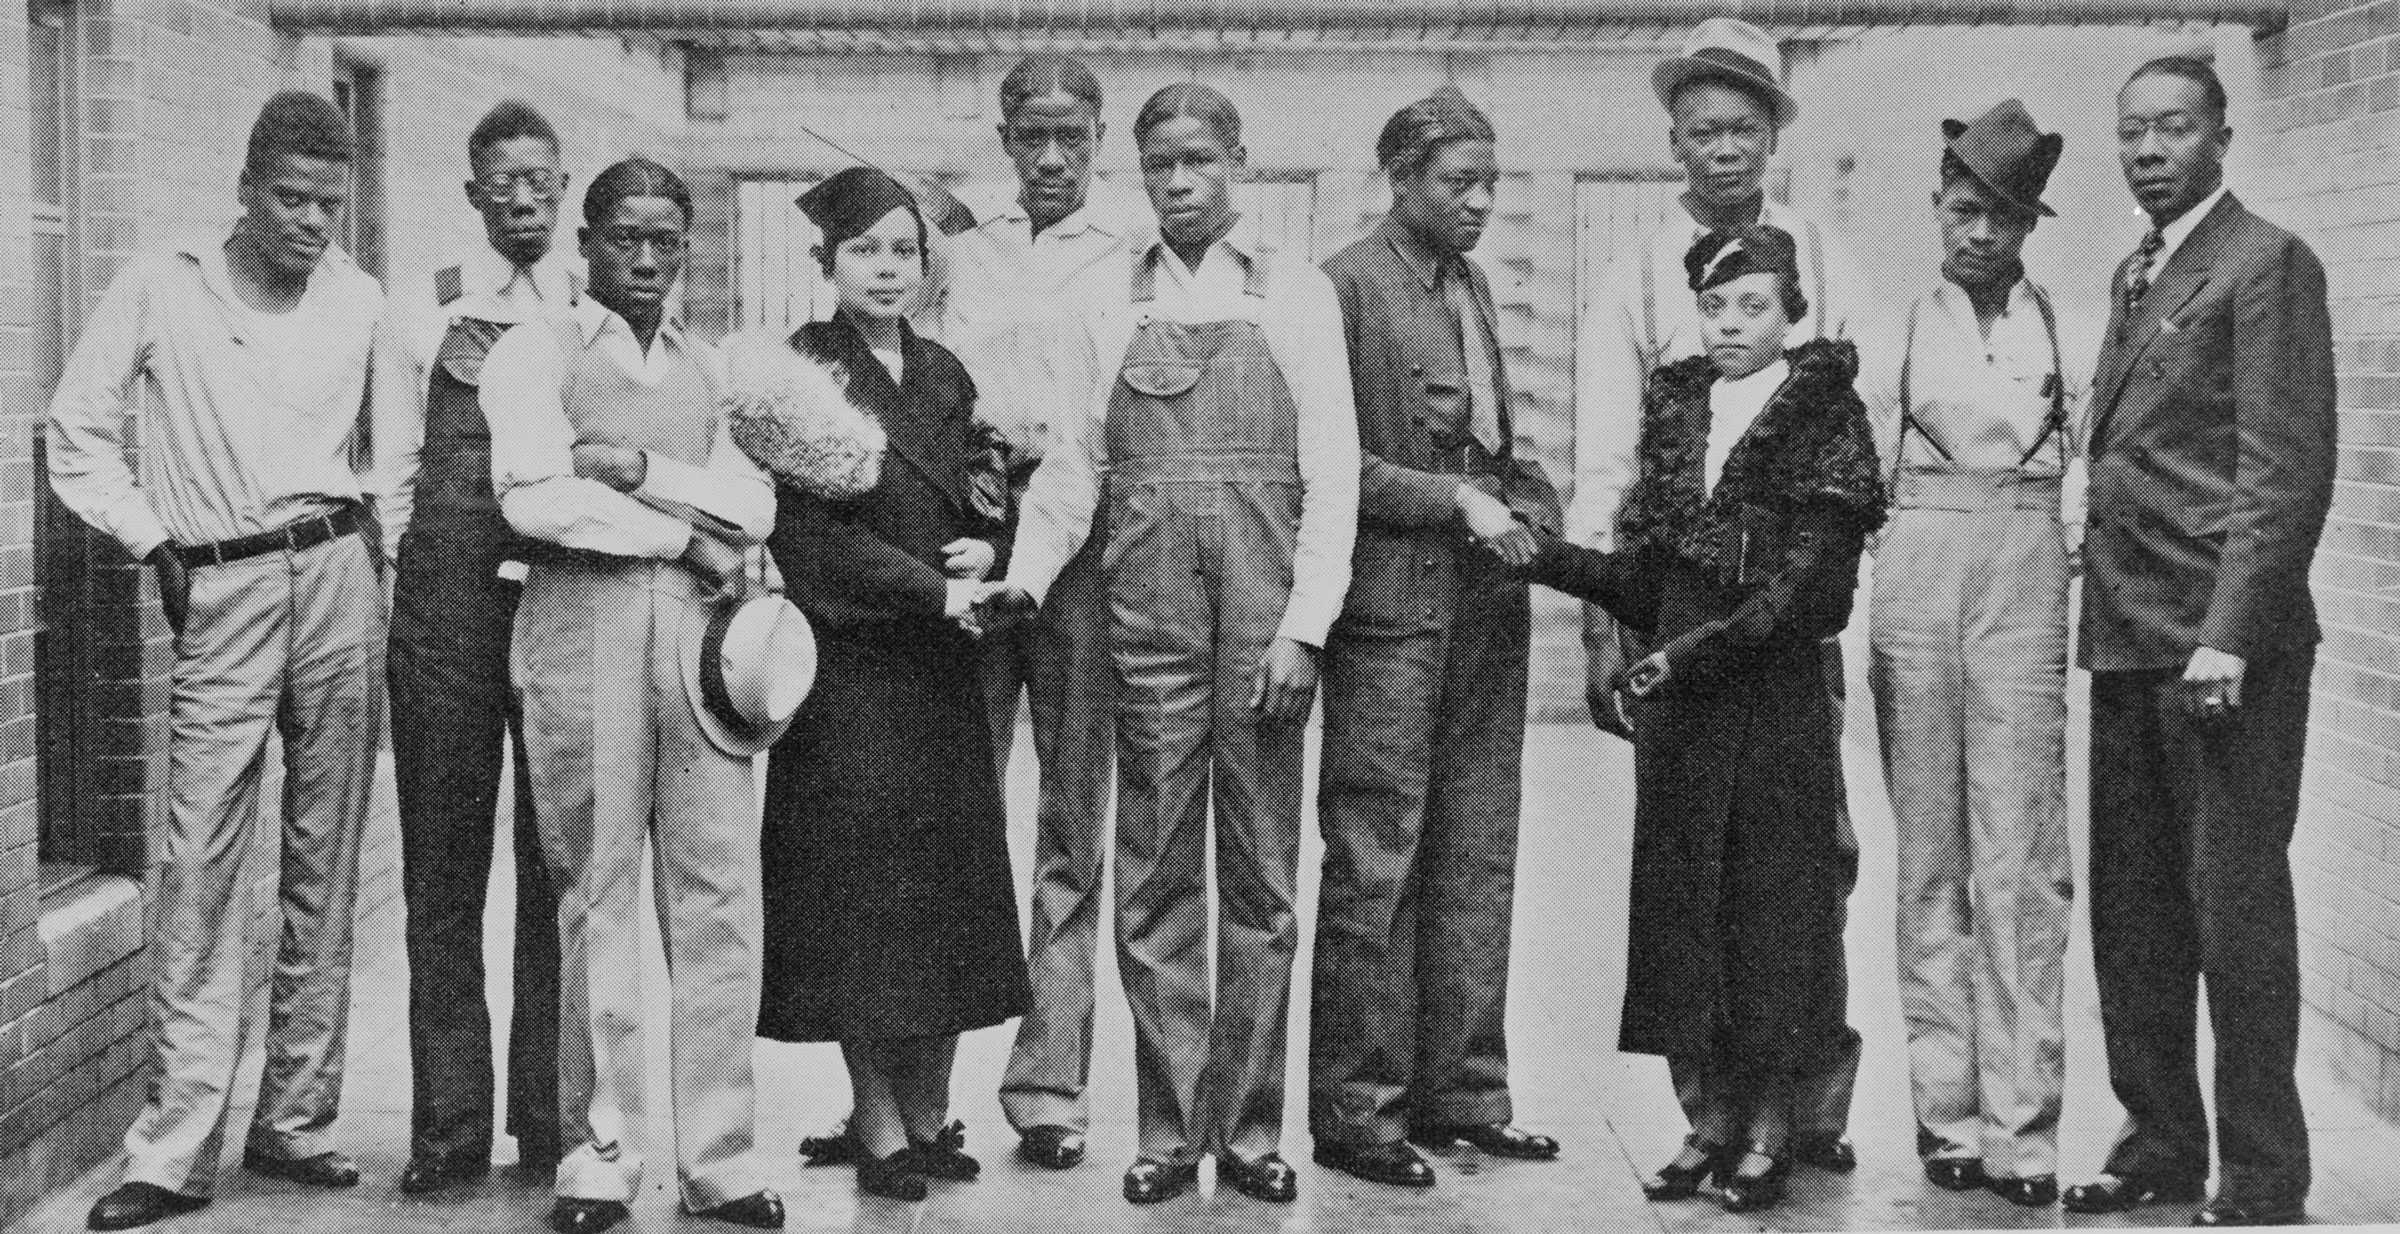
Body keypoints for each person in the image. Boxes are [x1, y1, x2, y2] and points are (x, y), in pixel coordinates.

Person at [982, 82, 1360, 1207]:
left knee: (1261, 878)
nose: (1181, 184)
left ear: (1238, 160)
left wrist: (1304, 628)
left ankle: (1248, 1132)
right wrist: (1027, 576)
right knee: (1150, 877)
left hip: (1260, 618)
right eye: (1161, 168)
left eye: (1199, 162)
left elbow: (1332, 473)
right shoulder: (1112, 297)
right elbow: (1074, 468)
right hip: (1145, 617)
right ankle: (1165, 1129)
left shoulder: (1292, 292)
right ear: (1139, 175)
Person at [46, 92, 386, 1232]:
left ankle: (294, 1118)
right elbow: (75, 428)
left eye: (330, 205)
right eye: (292, 199)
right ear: (245, 187)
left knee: (323, 858)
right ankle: (173, 1148)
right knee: (198, 861)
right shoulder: (160, 279)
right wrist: (152, 539)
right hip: (220, 576)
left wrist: (372, 546)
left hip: (337, 572)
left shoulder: (361, 299)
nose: (312, 225)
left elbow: (394, 454)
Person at [1526, 226, 1883, 1216]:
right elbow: (1651, 573)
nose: (1731, 324)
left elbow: (1809, 591)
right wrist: (1546, 557)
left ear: (1791, 313)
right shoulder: (1680, 406)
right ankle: (1710, 1119)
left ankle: (1772, 1120)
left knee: (1776, 908)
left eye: (1753, 305)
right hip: (1682, 708)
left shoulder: (1825, 416)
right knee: (1689, 906)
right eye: (1716, 306)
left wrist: (1685, 656)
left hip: (1770, 701)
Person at [1567, 17, 1872, 1173]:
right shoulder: (1639, 276)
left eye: (1745, 128)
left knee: (1807, 857)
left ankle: (1806, 1104)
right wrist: (1611, 626)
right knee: (1691, 860)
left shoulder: (1825, 258)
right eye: (1703, 131)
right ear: (1675, 141)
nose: (1725, 151)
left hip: (1789, 626)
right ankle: (1708, 1112)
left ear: (1775, 134)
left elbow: (1852, 433)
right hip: (1683, 626)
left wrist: (1815, 597)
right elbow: (1609, 463)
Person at [479, 157, 787, 1234]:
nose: (648, 259)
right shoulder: (535, 353)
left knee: (717, 896)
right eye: (625, 238)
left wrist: (643, 474)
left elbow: (755, 506)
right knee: (597, 892)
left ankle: (720, 1155)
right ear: (588, 241)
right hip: (583, 625)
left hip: (704, 646)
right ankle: (600, 1154)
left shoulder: (714, 370)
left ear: (686, 246)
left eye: (667, 239)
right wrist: (682, 535)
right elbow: (532, 495)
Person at [2062, 56, 2335, 1229]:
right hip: (2127, 638)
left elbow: (2284, 470)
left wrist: (2229, 635)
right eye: (2134, 132)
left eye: (2174, 128)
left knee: (2235, 916)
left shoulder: (2266, 262)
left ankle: (2264, 1174)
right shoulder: (2139, 271)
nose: (2150, 150)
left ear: (2223, 136)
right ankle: (2160, 1143)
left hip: (2222, 654)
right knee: (2135, 918)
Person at [747, 167, 1032, 1204]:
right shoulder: (797, 372)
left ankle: (925, 1110)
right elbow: (809, 537)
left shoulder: (945, 371)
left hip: (943, 670)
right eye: (865, 250)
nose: (887, 268)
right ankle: (873, 1121)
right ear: (826, 264)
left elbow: (987, 479)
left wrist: (981, 542)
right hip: (851, 669)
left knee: (947, 891)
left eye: (904, 250)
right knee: (860, 901)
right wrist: (927, 591)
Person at [1307, 87, 1561, 1191]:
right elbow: (1332, 467)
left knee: (1476, 851)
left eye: (1490, 184)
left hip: (1485, 615)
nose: (1481, 204)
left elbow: (1495, 445)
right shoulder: (1345, 289)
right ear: (1399, 178)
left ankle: (1464, 1091)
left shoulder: (1473, 283)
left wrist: (1531, 508)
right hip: (1394, 615)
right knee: (1378, 857)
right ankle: (1357, 1110)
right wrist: (1454, 501)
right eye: (1460, 183)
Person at [1863, 99, 2080, 1210]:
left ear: (2027, 224)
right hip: (1917, 566)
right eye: (1962, 210)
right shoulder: (1897, 327)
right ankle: (1944, 1113)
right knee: (1932, 858)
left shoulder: (2063, 323)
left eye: (1999, 215)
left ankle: (2024, 1123)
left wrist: (2063, 551)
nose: (1979, 233)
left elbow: (2089, 466)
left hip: (2026, 566)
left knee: (2024, 859)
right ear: (1937, 210)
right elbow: (1857, 473)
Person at [371, 98, 574, 1195]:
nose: (526, 197)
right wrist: (403, 612)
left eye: (543, 179)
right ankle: (449, 1133)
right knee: (443, 876)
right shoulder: (421, 309)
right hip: (446, 607)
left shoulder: (588, 304)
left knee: (557, 867)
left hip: (558, 599)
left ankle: (549, 1123)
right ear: (473, 192)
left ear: (562, 184)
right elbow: (393, 476)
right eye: (505, 180)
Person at [942, 53, 1136, 1174]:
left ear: (1098, 138)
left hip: (1082, 556)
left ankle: (1048, 1085)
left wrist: (1046, 532)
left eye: (1073, 138)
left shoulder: (1127, 260)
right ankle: (907, 1090)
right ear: (1006, 139)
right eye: (1033, 139)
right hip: (967, 544)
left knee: (1071, 822)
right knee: (944, 807)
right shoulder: (960, 254)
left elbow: (1104, 430)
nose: (1053, 159)